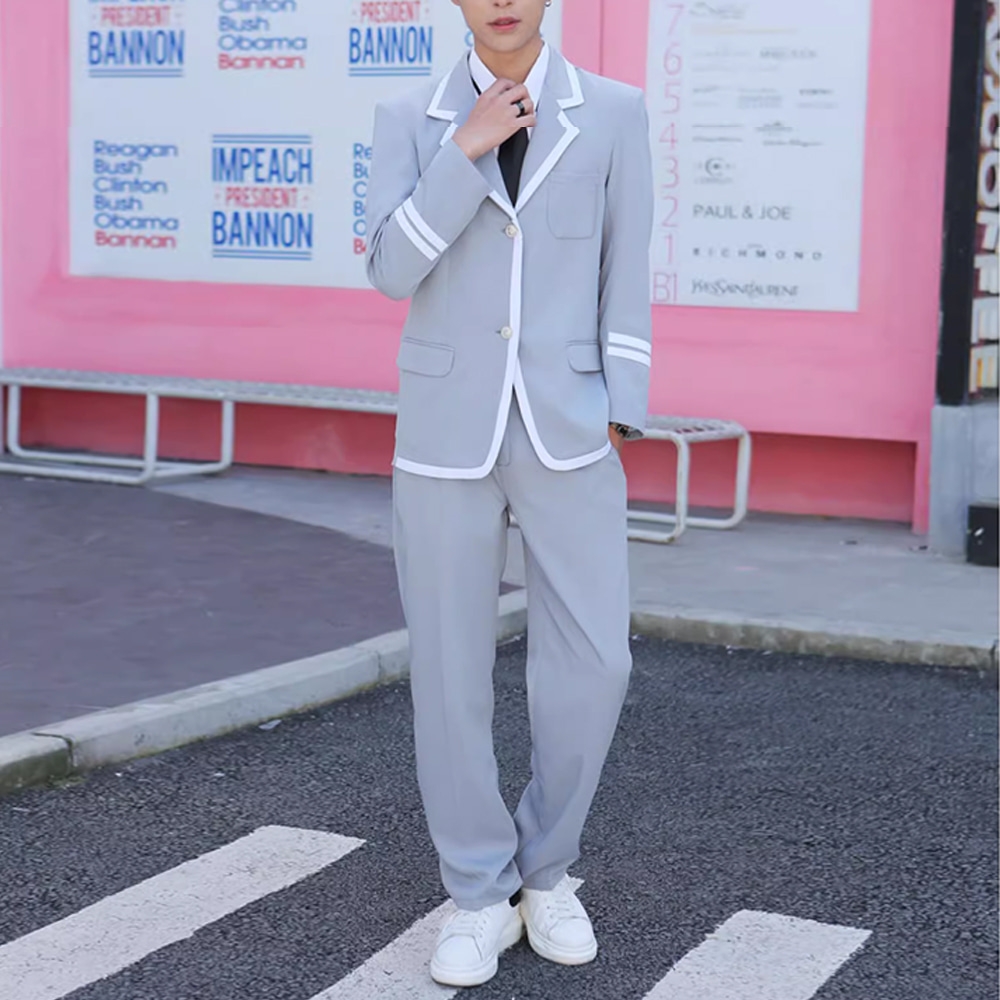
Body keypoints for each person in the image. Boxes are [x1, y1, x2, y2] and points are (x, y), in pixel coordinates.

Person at [365, 0, 654, 987]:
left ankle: (547, 869)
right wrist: (465, 149)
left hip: (570, 425)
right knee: (449, 672)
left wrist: (621, 407)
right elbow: (390, 268)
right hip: (444, 429)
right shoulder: (408, 116)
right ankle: (477, 892)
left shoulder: (613, 111)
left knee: (597, 661)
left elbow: (626, 260)